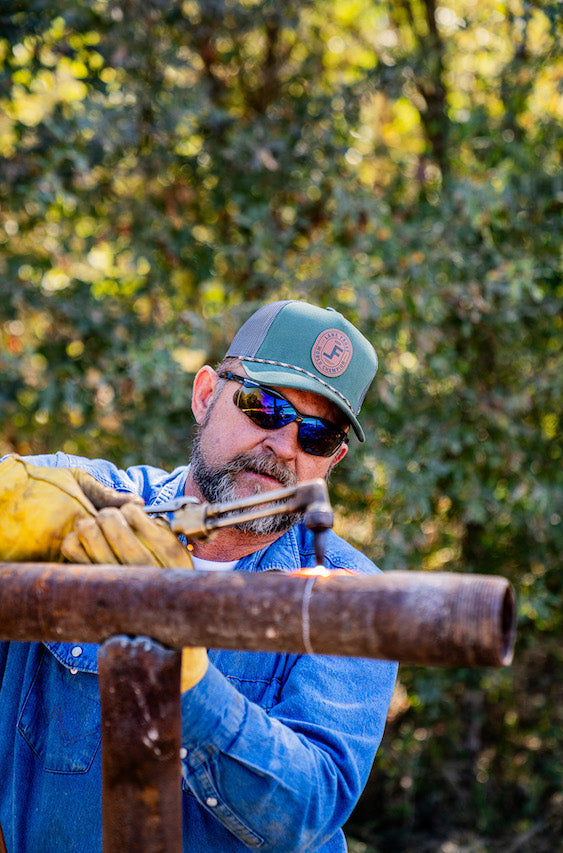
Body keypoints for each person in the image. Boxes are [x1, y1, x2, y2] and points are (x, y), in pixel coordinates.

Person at [0, 300, 398, 852]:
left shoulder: (353, 596)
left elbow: (308, 808)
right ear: (206, 395)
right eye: (264, 405)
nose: (284, 445)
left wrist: (186, 678)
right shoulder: (94, 505)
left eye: (317, 436)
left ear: (331, 462)